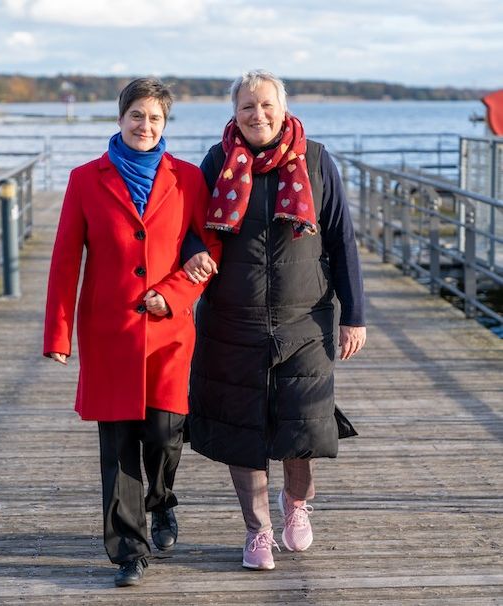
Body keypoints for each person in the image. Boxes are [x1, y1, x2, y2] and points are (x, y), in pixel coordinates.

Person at [43, 78, 221, 587]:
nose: (146, 126)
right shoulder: (84, 179)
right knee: (118, 443)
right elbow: (63, 261)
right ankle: (127, 551)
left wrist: (174, 295)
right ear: (120, 118)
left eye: (156, 118)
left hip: (168, 331)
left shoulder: (187, 179)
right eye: (137, 115)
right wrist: (59, 334)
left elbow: (209, 253)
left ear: (166, 124)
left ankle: (162, 500)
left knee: (166, 434)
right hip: (109, 331)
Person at [185, 70, 366, 571]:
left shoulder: (315, 159)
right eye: (247, 107)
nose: (257, 115)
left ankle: (298, 503)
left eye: (266, 105)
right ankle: (257, 531)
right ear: (234, 112)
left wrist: (355, 315)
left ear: (282, 108)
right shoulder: (217, 161)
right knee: (243, 429)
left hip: (304, 318)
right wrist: (196, 250)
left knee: (301, 425)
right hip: (232, 319)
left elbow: (341, 239)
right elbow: (189, 228)